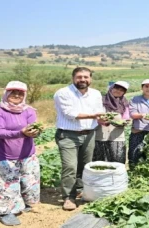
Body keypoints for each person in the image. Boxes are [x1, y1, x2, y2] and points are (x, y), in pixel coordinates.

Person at [54, 67, 105, 211]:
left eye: (86, 77)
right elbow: (70, 113)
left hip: (89, 133)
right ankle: (68, 197)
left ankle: (82, 190)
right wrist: (95, 116)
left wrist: (104, 119)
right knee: (70, 166)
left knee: (85, 165)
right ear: (73, 78)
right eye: (79, 77)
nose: (83, 79)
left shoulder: (95, 93)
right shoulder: (63, 93)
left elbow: (99, 111)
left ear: (90, 78)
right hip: (68, 135)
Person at [0, 81, 40, 226]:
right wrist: (21, 133)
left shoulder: (29, 110)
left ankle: (27, 205)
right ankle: (6, 212)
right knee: (5, 184)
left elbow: (34, 129)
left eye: (20, 93)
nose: (17, 95)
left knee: (29, 180)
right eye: (13, 92)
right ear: (6, 93)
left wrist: (35, 132)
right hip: (2, 155)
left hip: (27, 153)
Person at [93, 81, 130, 164]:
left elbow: (126, 117)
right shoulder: (100, 101)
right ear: (111, 88)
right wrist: (102, 121)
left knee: (118, 163)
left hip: (117, 137)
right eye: (116, 88)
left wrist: (125, 122)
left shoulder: (124, 103)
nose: (118, 91)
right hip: (100, 136)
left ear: (124, 92)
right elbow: (94, 116)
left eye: (122, 90)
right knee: (100, 163)